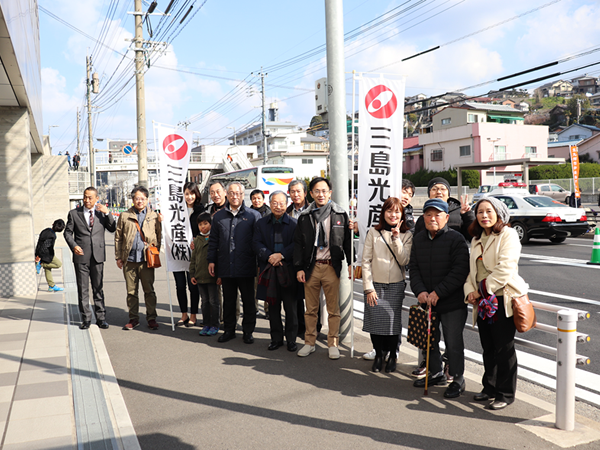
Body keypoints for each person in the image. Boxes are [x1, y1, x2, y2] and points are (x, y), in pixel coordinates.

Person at [464, 198, 528, 410]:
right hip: (482, 300)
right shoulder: (476, 239)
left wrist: (481, 290)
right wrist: (469, 292)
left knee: (503, 347)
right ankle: (489, 387)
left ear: (498, 213)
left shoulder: (507, 234)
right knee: (488, 346)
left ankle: (505, 393)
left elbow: (506, 268)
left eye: (489, 211)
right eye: (480, 212)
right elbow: (470, 274)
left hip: (502, 298)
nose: (484, 216)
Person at [412, 176, 475, 379]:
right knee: (429, 340)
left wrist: (438, 292)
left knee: (453, 342)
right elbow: (413, 268)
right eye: (428, 215)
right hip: (427, 301)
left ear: (446, 217)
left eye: (437, 215)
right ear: (423, 217)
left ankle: (457, 379)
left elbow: (459, 271)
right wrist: (420, 291)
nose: (432, 218)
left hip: (451, 302)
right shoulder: (419, 238)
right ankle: (435, 372)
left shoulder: (456, 239)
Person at [293, 177, 352, 360]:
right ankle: (309, 342)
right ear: (311, 194)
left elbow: (348, 240)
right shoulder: (305, 217)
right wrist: (299, 268)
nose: (321, 194)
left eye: (324, 191)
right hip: (311, 267)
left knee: (333, 310)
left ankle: (332, 343)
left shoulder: (340, 214)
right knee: (310, 309)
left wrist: (351, 263)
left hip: (331, 267)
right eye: (317, 191)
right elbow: (298, 244)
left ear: (330, 193)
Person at [362, 197, 412, 373]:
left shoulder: (407, 235)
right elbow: (366, 261)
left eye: (397, 211)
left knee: (392, 323)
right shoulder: (373, 233)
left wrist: (396, 238)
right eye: (389, 211)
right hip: (375, 284)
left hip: (396, 285)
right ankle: (378, 355)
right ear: (383, 213)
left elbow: (404, 260)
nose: (393, 215)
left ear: (402, 215)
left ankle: (392, 355)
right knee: (375, 322)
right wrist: (368, 287)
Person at [208, 182, 261, 344]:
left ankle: (248, 332)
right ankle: (229, 330)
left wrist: (259, 263)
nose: (234, 196)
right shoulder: (218, 216)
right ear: (226, 194)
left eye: (237, 193)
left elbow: (258, 241)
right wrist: (211, 260)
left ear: (242, 195)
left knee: (248, 301)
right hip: (226, 265)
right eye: (231, 193)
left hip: (247, 265)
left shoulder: (253, 216)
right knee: (229, 301)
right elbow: (213, 241)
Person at [64, 187, 116, 330]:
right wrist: (74, 245)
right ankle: (86, 318)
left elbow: (112, 228)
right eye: (85, 197)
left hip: (98, 256)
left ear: (96, 198)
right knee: (83, 289)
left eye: (90, 198)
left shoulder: (101, 214)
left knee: (98, 288)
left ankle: (101, 318)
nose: (87, 200)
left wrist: (108, 213)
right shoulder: (74, 214)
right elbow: (67, 233)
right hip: (81, 256)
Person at [254, 191, 298, 352]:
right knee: (272, 307)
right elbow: (256, 243)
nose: (278, 206)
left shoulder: (294, 224)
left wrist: (282, 255)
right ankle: (276, 339)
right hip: (269, 269)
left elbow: (297, 244)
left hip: (288, 270)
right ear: (269, 203)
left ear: (286, 204)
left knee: (290, 308)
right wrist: (269, 256)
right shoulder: (261, 223)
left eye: (281, 203)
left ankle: (291, 340)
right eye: (274, 203)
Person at [115, 186, 162, 331]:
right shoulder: (124, 215)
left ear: (147, 200)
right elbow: (118, 237)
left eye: (142, 198)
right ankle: (133, 318)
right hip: (129, 260)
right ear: (133, 199)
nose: (139, 201)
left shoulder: (154, 216)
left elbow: (159, 236)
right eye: (137, 198)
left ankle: (151, 318)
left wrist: (155, 252)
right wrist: (118, 257)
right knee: (131, 292)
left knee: (149, 291)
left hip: (146, 260)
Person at [173, 182, 204, 327]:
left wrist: (197, 241)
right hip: (178, 253)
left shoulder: (201, 210)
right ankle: (183, 314)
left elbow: (205, 230)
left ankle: (193, 315)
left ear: (196, 194)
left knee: (193, 285)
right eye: (186, 194)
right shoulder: (176, 210)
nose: (189, 197)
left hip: (194, 254)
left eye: (192, 193)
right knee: (180, 285)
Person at [414, 177, 474, 241]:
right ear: (429, 194)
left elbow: (473, 236)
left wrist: (467, 215)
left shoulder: (460, 213)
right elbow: (416, 242)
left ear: (448, 194)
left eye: (443, 189)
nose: (439, 192)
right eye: (434, 189)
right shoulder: (422, 219)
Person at [286, 179, 310, 338]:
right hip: (294, 259)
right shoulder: (287, 212)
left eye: (298, 191)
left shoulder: (314, 210)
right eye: (292, 192)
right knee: (298, 296)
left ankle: (313, 328)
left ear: (305, 193)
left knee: (312, 297)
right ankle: (301, 326)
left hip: (311, 258)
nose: (295, 194)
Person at [190, 213, 220, 337]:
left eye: (206, 224)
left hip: (212, 276)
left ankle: (215, 324)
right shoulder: (197, 240)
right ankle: (206, 323)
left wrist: (220, 275)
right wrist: (192, 274)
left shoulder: (216, 238)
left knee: (214, 301)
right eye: (200, 224)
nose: (203, 227)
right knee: (204, 301)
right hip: (199, 276)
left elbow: (219, 258)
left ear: (211, 224)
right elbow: (193, 259)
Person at [35, 219, 66, 292]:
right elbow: (45, 246)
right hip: (46, 254)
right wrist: (39, 256)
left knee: (48, 270)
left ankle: (51, 286)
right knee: (58, 264)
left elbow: (40, 243)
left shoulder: (45, 230)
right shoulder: (52, 235)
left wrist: (38, 254)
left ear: (53, 223)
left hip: (41, 252)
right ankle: (41, 264)